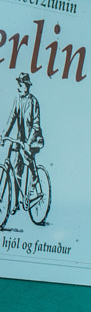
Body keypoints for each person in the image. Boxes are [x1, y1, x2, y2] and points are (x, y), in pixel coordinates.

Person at [3, 73, 43, 222]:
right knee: (16, 167)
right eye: (18, 84)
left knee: (27, 157)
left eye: (21, 84)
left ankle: (35, 182)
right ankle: (15, 203)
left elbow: (36, 126)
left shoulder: (33, 102)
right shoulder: (17, 101)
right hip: (20, 140)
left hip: (33, 139)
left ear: (27, 86)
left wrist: (28, 142)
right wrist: (3, 135)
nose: (19, 87)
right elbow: (11, 119)